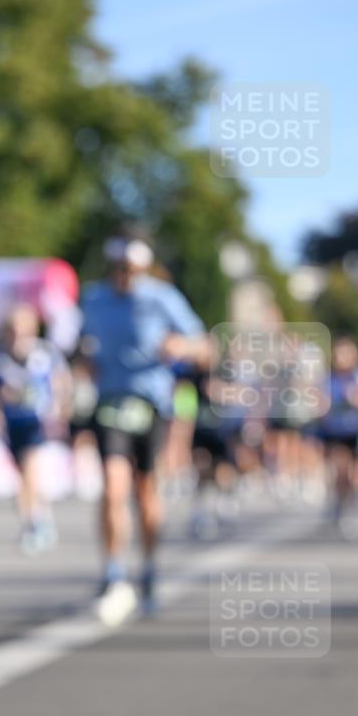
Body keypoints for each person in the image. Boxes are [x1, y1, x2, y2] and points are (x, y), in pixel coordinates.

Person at [79, 234, 209, 622]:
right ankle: (113, 570)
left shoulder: (162, 298)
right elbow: (77, 344)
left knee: (146, 491)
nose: (125, 277)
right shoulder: (94, 299)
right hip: (110, 403)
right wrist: (83, 359)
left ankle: (149, 566)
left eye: (133, 270)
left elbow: (204, 346)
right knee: (112, 483)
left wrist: (180, 348)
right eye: (119, 270)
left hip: (150, 404)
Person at [0, 303, 71, 554]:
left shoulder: (45, 353)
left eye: (23, 331)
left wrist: (61, 407)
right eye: (13, 331)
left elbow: (61, 381)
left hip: (39, 420)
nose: (17, 336)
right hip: (13, 423)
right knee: (23, 474)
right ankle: (41, 515)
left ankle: (33, 522)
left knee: (30, 467)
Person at [312, 336, 358, 537]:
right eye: (338, 354)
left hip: (356, 431)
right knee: (340, 471)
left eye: (345, 354)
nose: (341, 358)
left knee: (355, 475)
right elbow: (319, 402)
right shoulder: (328, 378)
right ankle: (341, 508)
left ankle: (348, 504)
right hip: (335, 432)